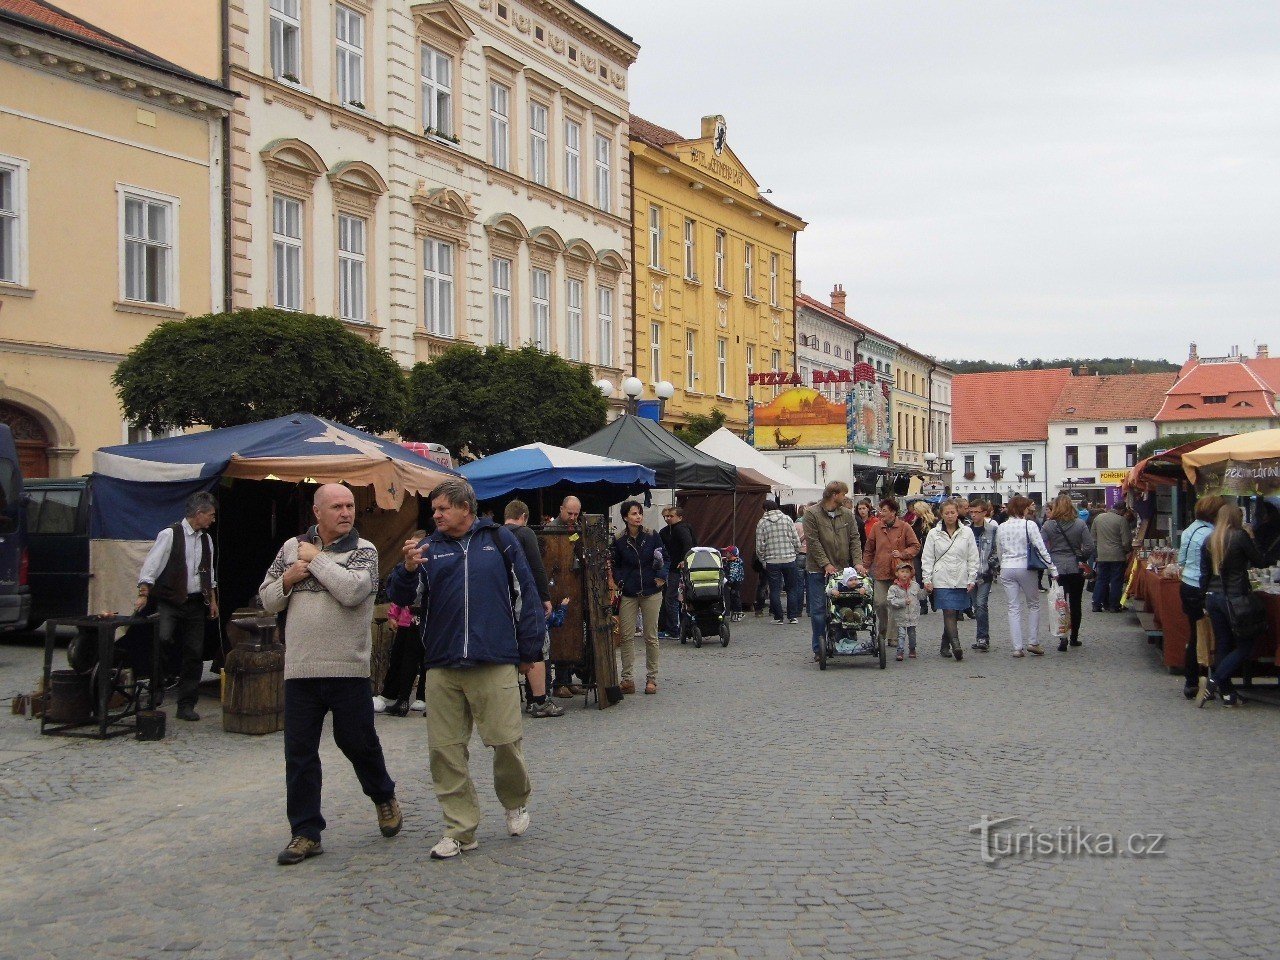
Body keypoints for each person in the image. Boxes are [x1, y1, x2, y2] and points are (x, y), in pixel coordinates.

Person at [387, 478, 545, 859]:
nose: (436, 515)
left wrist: (530, 651)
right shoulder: (427, 549)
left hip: (494, 657)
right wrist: (407, 570)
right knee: (445, 750)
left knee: (505, 741)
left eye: (442, 508)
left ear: (465, 508)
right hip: (442, 663)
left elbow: (527, 594)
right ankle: (460, 829)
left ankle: (515, 799)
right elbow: (399, 598)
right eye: (435, 509)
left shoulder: (500, 541)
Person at [260, 484, 400, 866]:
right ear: (317, 512)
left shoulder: (365, 551)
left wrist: (318, 560)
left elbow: (354, 592)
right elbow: (268, 597)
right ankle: (305, 832)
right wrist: (288, 579)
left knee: (357, 741)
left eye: (350, 505)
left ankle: (383, 794)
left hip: (347, 667)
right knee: (300, 753)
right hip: (301, 668)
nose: (346, 512)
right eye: (337, 506)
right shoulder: (291, 548)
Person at [134, 491, 219, 722]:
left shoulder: (206, 539)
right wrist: (143, 593)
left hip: (194, 603)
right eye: (210, 515)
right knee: (162, 641)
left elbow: (208, 573)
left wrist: (212, 600)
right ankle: (157, 688)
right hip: (171, 601)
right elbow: (151, 566)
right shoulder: (170, 534)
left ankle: (186, 704)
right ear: (199, 514)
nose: (213, 519)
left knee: (194, 652)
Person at [1198, 503, 1265, 708]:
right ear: (1236, 518)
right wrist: (1252, 538)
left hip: (1213, 596)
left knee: (1224, 644)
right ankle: (1214, 681)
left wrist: (1204, 600)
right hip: (1235, 598)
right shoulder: (1239, 536)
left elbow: (1204, 574)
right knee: (1245, 646)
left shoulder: (1210, 539)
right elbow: (1259, 561)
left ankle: (1227, 694)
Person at [504, 500, 563, 719]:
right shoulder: (525, 533)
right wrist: (545, 598)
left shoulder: (495, 535)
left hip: (503, 603)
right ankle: (538, 700)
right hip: (526, 599)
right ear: (524, 516)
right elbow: (536, 566)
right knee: (537, 644)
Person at [609, 500, 668, 695]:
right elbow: (614, 563)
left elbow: (665, 558)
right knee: (626, 637)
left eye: (640, 513)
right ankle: (628, 679)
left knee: (650, 636)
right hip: (629, 592)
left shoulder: (652, 536)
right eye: (634, 514)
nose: (638, 517)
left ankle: (652, 678)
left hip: (651, 591)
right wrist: (619, 580)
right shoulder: (618, 539)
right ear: (625, 517)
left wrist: (661, 576)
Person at [802, 482, 863, 662]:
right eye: (844, 493)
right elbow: (813, 543)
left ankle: (844, 641)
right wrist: (825, 564)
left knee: (846, 604)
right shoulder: (811, 514)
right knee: (819, 610)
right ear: (835, 495)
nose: (845, 497)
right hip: (817, 571)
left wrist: (858, 562)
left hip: (843, 570)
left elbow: (854, 539)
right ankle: (818, 647)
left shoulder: (846, 514)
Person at [995, 494, 1058, 657]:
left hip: (1007, 568)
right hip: (1025, 567)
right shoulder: (1029, 525)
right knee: (1033, 604)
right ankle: (1033, 641)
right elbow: (1040, 547)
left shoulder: (1001, 527)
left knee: (1013, 607)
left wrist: (1002, 566)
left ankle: (1017, 647)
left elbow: (999, 550)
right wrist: (1052, 568)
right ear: (1023, 509)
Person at [1177, 495, 1224, 699]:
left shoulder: (1190, 529)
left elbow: (1181, 558)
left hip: (1187, 584)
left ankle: (1191, 681)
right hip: (1200, 587)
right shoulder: (1211, 534)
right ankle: (1208, 681)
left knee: (1195, 633)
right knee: (1211, 635)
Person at [376, 529, 427, 717]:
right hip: (408, 621)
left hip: (423, 620)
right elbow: (398, 596)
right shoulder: (406, 568)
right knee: (403, 659)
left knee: (424, 660)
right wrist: (392, 615)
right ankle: (401, 698)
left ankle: (419, 697)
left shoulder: (428, 567)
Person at [856, 497, 920, 647]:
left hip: (900, 573)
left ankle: (891, 636)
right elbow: (869, 549)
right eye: (880, 510)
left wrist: (903, 554)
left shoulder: (904, 527)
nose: (880, 513)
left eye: (884, 510)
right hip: (880, 571)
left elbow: (915, 546)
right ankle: (883, 629)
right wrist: (865, 566)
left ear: (893, 512)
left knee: (894, 604)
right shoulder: (877, 528)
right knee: (880, 603)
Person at [920, 500, 978, 661]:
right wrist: (927, 578)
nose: (950, 515)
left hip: (961, 576)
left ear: (957, 513)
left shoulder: (967, 532)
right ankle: (956, 644)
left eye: (953, 512)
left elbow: (973, 556)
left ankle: (944, 644)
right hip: (942, 578)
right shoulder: (934, 533)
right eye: (947, 513)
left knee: (954, 610)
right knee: (949, 611)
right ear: (941, 514)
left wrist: (972, 577)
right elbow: (927, 557)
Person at [1041, 495, 1095, 651]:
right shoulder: (1080, 524)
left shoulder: (1048, 525)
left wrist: (1049, 558)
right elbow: (1090, 546)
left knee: (1059, 602)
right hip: (1074, 568)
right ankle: (1074, 637)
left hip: (1056, 569)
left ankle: (1062, 637)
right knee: (1076, 602)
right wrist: (1081, 556)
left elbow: (1040, 545)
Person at [545, 496, 586, 698]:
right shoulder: (551, 530)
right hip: (556, 587)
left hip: (572, 587)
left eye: (576, 514)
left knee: (572, 633)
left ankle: (568, 679)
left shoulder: (575, 529)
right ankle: (559, 681)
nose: (572, 517)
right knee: (560, 636)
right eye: (569, 513)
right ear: (561, 509)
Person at [756, 499, 803, 624]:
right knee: (792, 588)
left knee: (775, 590)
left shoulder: (762, 522)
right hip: (789, 558)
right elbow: (795, 539)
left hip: (772, 560)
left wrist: (762, 559)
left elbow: (759, 545)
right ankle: (792, 616)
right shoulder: (787, 519)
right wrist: (795, 552)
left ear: (765, 509)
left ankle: (778, 617)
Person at [658, 506, 696, 637]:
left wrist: (683, 560)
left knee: (671, 598)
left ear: (679, 517)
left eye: (670, 516)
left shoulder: (680, 528)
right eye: (666, 516)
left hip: (677, 569)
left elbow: (688, 544)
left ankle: (673, 629)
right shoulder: (669, 530)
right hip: (676, 567)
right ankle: (676, 628)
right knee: (676, 598)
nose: (667, 519)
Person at [968, 500, 999, 651]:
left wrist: (991, 566)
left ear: (984, 513)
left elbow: (996, 550)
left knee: (981, 604)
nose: (974, 515)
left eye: (977, 512)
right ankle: (981, 636)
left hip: (985, 573)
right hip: (970, 574)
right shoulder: (966, 530)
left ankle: (983, 638)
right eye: (971, 512)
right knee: (976, 606)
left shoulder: (992, 529)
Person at [1091, 502, 1132, 612]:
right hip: (1117, 556)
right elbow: (1126, 541)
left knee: (1101, 579)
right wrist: (1127, 551)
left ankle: (1096, 604)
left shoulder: (1098, 518)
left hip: (1102, 555)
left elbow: (1093, 537)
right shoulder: (1121, 520)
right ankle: (1114, 605)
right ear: (1122, 510)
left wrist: (1097, 551)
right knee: (1116, 581)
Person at [887, 562, 921, 661]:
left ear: (910, 574)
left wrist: (927, 591)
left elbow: (921, 596)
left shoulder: (915, 586)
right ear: (897, 573)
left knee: (912, 635)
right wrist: (902, 602)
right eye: (902, 571)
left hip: (912, 616)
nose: (905, 574)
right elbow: (890, 601)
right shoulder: (893, 588)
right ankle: (900, 650)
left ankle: (912, 649)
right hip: (900, 616)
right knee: (901, 635)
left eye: (907, 572)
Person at [909, 502, 935, 614]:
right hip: (917, 554)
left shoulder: (932, 522)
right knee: (919, 580)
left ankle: (933, 598)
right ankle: (923, 604)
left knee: (931, 578)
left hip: (929, 554)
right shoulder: (915, 522)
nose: (914, 512)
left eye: (916, 509)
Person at [724, 546, 745, 621]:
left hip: (735, 582)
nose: (725, 554)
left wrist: (729, 581)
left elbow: (733, 573)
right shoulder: (728, 561)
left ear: (732, 554)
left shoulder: (735, 562)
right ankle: (734, 612)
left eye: (727, 553)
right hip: (731, 582)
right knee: (732, 597)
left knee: (735, 597)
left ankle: (739, 612)